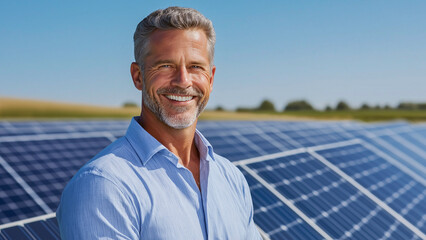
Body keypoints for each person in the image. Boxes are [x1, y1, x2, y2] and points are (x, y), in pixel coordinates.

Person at [57, 6, 261, 239]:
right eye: (165, 65)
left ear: (211, 78)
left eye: (195, 67)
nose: (183, 81)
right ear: (138, 76)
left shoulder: (230, 178)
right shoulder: (104, 186)